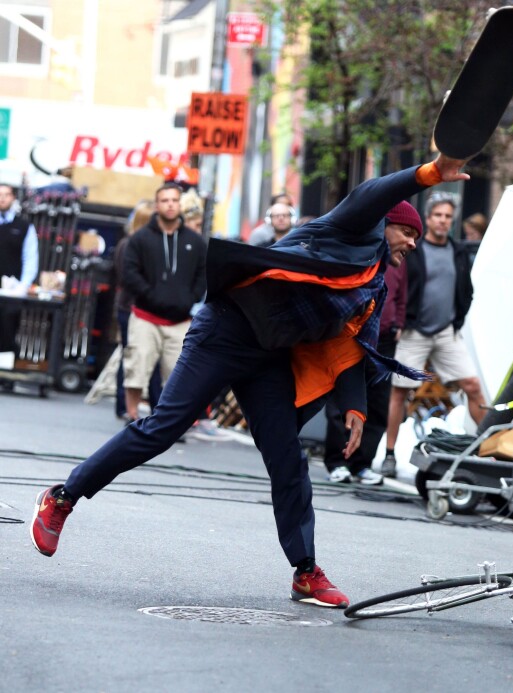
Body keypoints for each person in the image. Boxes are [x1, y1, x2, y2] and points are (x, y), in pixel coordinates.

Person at [30, 153, 470, 609]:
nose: (413, 244)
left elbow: (353, 344)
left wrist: (355, 406)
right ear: (384, 224)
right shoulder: (352, 229)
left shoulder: (372, 281)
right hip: (226, 331)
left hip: (270, 355)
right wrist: (430, 174)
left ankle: (305, 571)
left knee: (287, 458)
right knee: (162, 428)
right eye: (408, 232)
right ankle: (62, 498)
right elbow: (374, 193)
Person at [383, 191, 486, 479]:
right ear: (428, 218)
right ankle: (390, 454)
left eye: (448, 217)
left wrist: (458, 318)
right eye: (438, 215)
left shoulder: (458, 251)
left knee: (473, 385)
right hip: (414, 330)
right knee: (400, 391)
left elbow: (467, 290)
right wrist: (400, 320)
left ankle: (488, 451)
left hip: (445, 332)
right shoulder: (414, 250)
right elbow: (398, 286)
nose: (443, 221)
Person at [324, 202, 414, 485]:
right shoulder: (361, 253)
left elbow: (401, 296)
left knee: (377, 402)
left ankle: (363, 463)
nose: (411, 242)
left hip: (385, 339)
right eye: (406, 232)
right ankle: (338, 461)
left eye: (415, 236)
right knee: (343, 401)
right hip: (352, 335)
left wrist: (398, 322)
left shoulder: (399, 260)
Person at [121, 182, 207, 422]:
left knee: (178, 375)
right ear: (157, 205)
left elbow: (204, 273)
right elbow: (129, 273)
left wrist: (191, 298)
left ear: (179, 205)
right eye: (165, 200)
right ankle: (132, 414)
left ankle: (171, 421)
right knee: (137, 367)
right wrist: (149, 294)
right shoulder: (140, 238)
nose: (170, 205)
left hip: (180, 319)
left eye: (174, 201)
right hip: (145, 315)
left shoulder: (195, 241)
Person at [113, 200, 162, 421]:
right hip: (130, 307)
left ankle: (154, 407)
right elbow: (127, 277)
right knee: (131, 356)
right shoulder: (129, 244)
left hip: (149, 307)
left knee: (152, 359)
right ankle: (124, 406)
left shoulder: (155, 244)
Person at [0, 183, 39, 353]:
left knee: (7, 329)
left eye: (6, 194)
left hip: (11, 291)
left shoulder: (24, 227)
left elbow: (30, 258)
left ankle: (5, 372)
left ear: (13, 198)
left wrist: (23, 286)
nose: (2, 198)